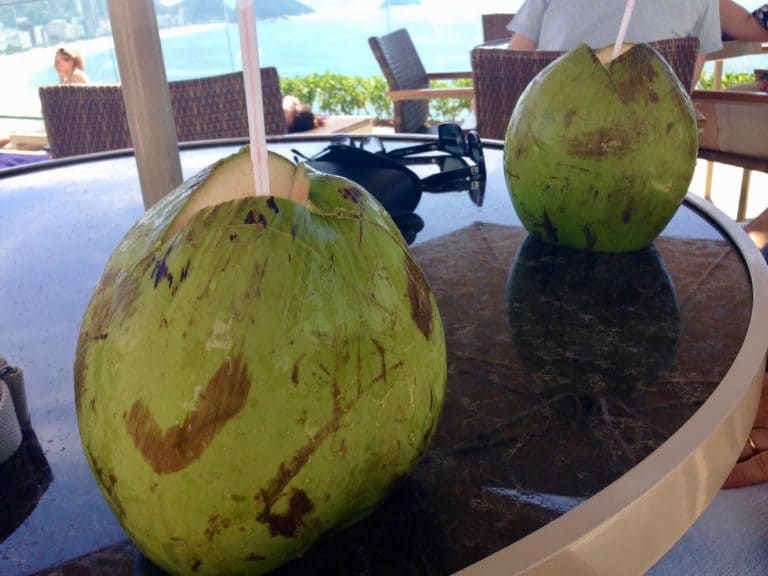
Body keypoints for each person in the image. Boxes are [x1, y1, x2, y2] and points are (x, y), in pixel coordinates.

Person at [506, 0, 723, 89]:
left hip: (544, 134)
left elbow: (509, 66)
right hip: (648, 145)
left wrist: (475, 123)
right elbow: (684, 87)